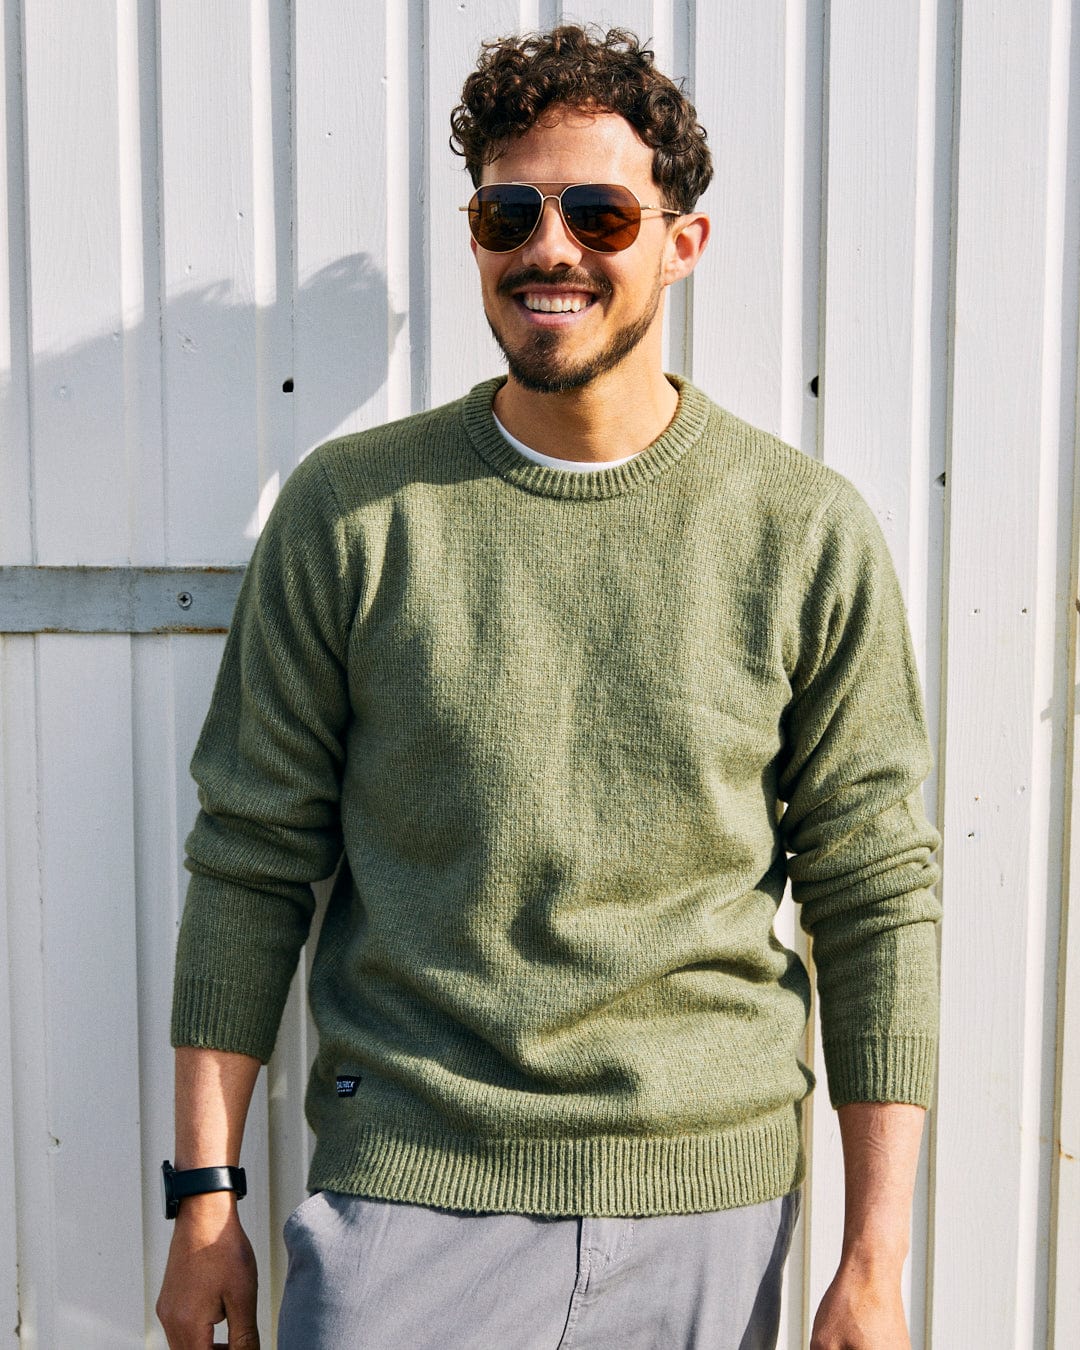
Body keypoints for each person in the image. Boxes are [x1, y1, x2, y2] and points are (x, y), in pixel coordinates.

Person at [156, 25, 941, 1350]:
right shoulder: (355, 518)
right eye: (509, 210)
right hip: (407, 1192)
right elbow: (248, 859)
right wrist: (202, 1197)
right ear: (476, 234)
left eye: (601, 212)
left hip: (708, 1203)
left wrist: (874, 1260)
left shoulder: (801, 531)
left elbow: (874, 895)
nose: (550, 247)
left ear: (681, 242)